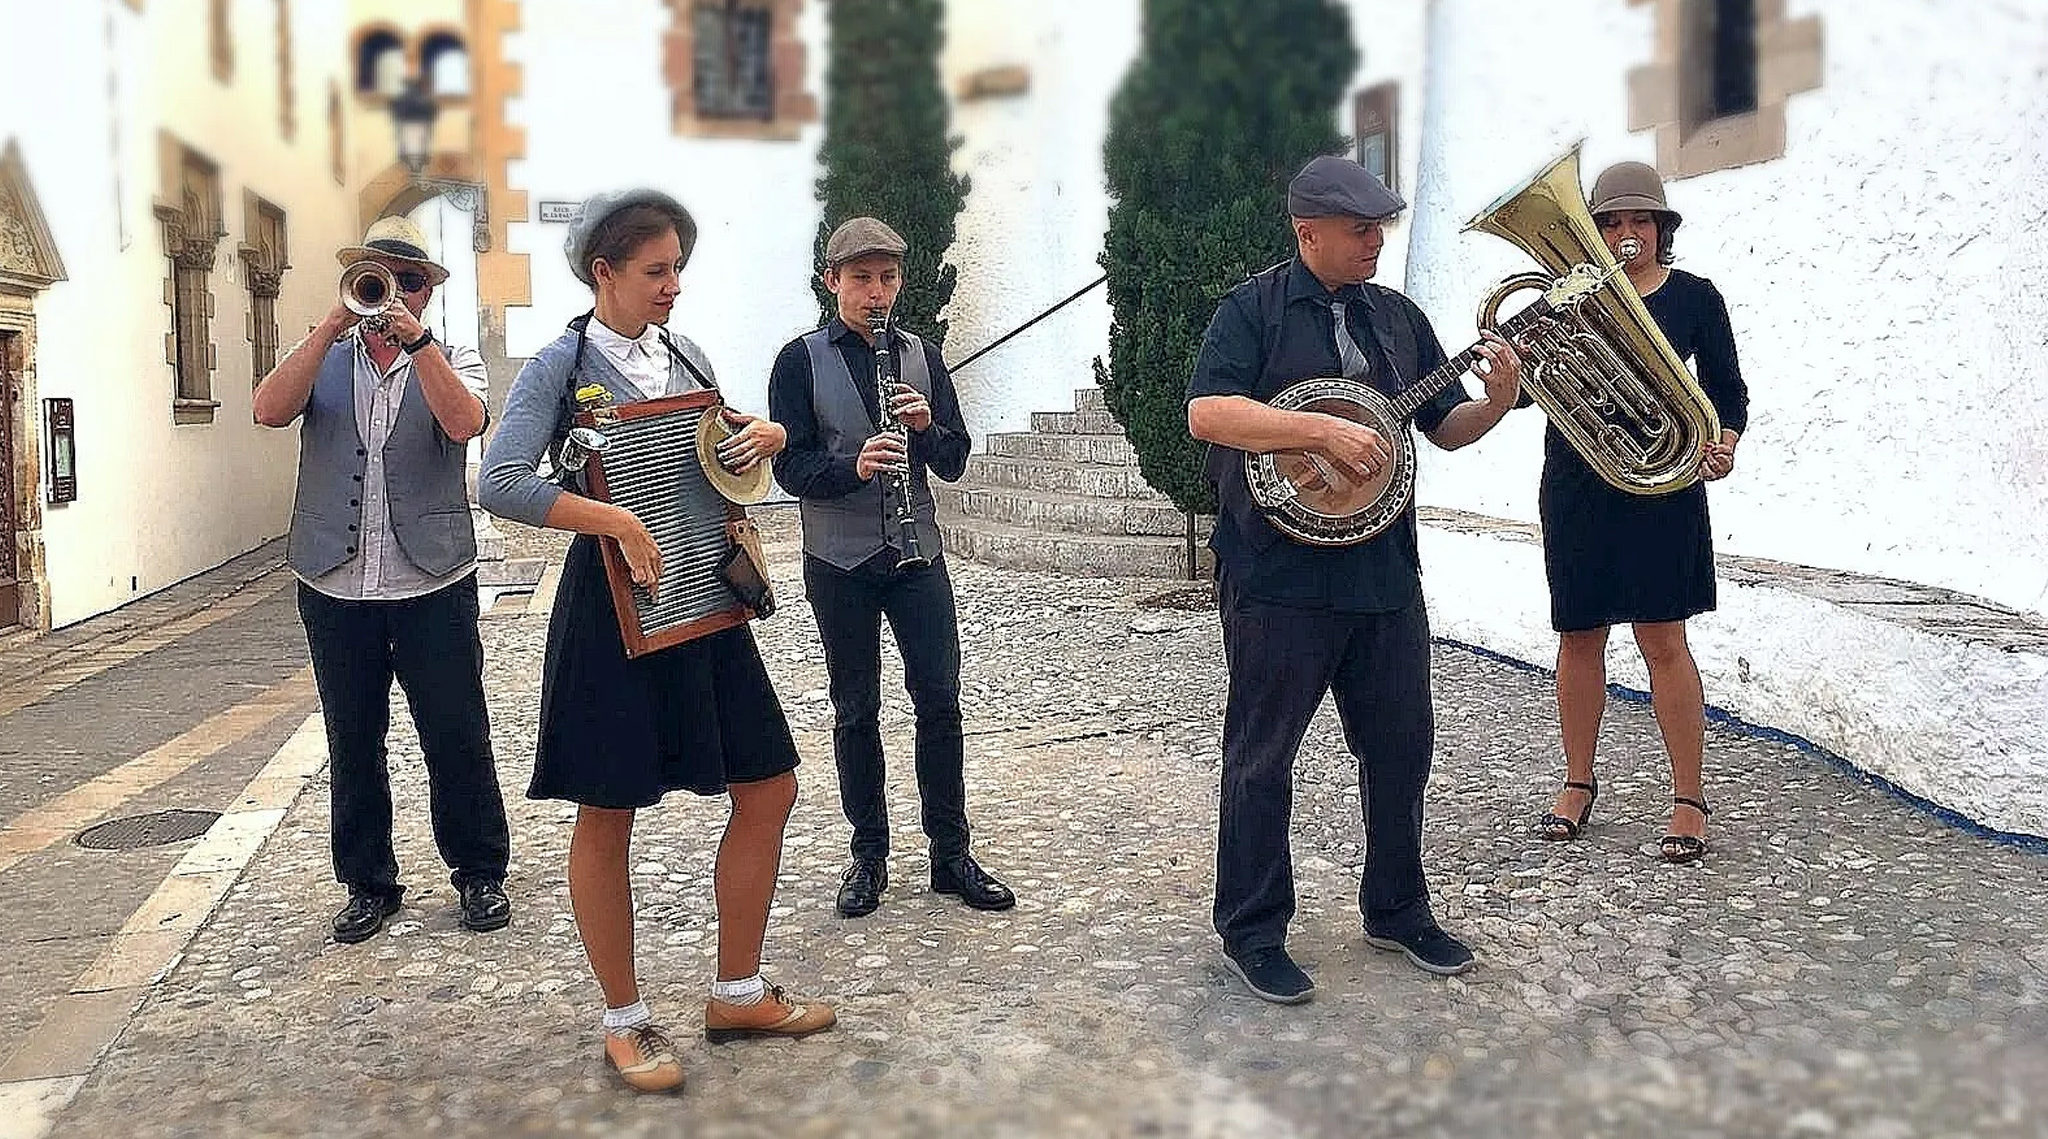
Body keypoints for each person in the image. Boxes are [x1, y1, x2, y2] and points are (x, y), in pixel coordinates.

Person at [480, 189, 834, 1094]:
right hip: (610, 613)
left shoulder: (687, 354)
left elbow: (723, 465)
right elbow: (502, 481)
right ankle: (626, 1017)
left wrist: (765, 440)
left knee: (770, 784)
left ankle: (738, 989)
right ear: (603, 271)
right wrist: (612, 518)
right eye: (655, 270)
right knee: (609, 809)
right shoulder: (558, 368)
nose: (673, 284)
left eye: (678, 267)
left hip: (702, 602)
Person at [1185, 155, 1524, 1005]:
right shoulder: (1252, 310)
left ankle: (1398, 906)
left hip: (1383, 573)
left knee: (1402, 746)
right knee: (1263, 757)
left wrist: (1500, 396)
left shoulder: (1399, 320)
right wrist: (1318, 433)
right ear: (1308, 232)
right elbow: (1207, 412)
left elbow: (1446, 428)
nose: (1377, 241)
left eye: (1381, 228)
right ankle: (1252, 929)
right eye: (1360, 229)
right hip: (1277, 574)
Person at [253, 216, 511, 946]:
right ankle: (368, 882)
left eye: (412, 280)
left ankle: (479, 871)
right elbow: (268, 408)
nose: (395, 290)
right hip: (336, 581)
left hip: (433, 578)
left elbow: (465, 426)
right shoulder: (327, 348)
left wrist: (417, 342)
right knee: (352, 737)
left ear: (428, 291)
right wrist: (335, 319)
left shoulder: (452, 351)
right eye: (382, 276)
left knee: (457, 732)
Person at [768, 217, 1014, 919]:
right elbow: (789, 467)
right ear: (832, 282)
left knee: (939, 698)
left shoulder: (921, 355)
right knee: (857, 707)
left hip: (918, 554)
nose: (877, 293)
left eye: (887, 278)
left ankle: (950, 852)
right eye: (861, 279)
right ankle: (868, 854)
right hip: (838, 559)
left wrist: (924, 428)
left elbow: (955, 457)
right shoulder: (798, 360)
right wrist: (853, 466)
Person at [1535, 161, 1748, 863]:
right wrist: (1509, 375)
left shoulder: (1694, 297)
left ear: (1662, 228)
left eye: (1640, 221)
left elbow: (1728, 392)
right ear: (1595, 231)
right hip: (1580, 483)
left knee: (1664, 641)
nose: (1628, 233)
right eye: (1613, 222)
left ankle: (1689, 795)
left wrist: (1722, 444)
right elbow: (1534, 389)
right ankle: (1577, 781)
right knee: (1579, 637)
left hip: (1660, 486)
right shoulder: (1568, 300)